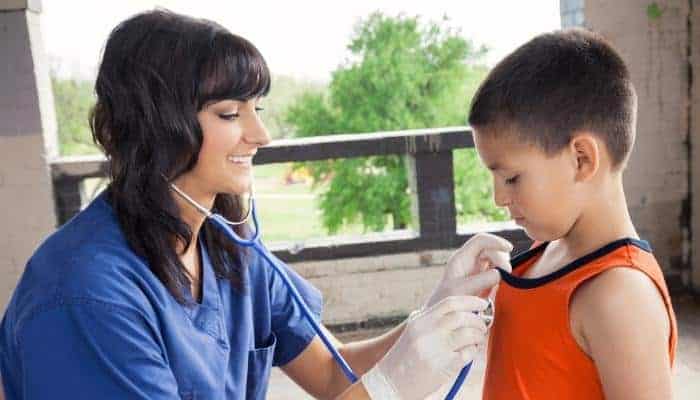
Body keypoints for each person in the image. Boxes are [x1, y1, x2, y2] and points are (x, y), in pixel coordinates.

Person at [0, 9, 512, 400]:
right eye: (229, 113)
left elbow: (334, 372)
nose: (260, 134)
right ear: (154, 126)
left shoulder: (230, 249)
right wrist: (391, 388)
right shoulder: (84, 296)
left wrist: (436, 315)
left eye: (257, 109)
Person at [468, 28, 678, 400]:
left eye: (512, 178)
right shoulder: (542, 254)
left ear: (581, 159)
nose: (499, 197)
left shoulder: (619, 295)